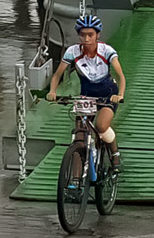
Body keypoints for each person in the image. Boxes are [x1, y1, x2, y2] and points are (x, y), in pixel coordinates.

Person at [47, 14, 125, 171]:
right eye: (82, 35)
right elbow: (57, 75)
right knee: (80, 137)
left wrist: (120, 95)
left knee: (101, 126)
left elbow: (120, 76)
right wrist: (52, 91)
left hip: (108, 93)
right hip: (87, 93)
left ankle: (114, 154)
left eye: (90, 34)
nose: (86, 38)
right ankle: (75, 180)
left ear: (98, 35)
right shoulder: (73, 52)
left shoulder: (107, 51)